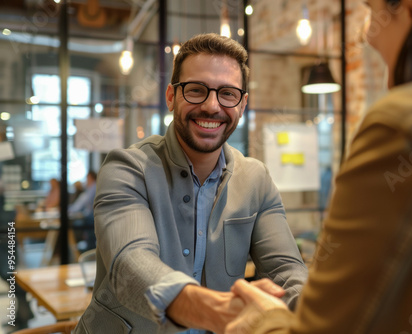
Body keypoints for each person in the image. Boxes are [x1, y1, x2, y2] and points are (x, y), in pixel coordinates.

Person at [226, 0, 412, 333]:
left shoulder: (408, 127)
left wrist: (263, 319)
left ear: (410, 9)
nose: (368, 34)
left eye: (373, 10)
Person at [74, 33, 307, 334]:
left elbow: (286, 270)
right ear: (171, 97)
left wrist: (307, 311)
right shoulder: (128, 168)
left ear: (242, 104)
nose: (212, 106)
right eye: (196, 90)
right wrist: (221, 312)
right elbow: (131, 265)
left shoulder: (256, 179)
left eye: (227, 93)